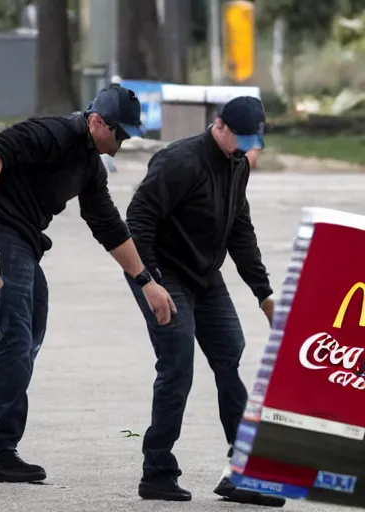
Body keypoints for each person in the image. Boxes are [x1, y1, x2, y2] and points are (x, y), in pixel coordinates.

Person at [0, 84, 177, 483]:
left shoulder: (90, 167)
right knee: (15, 334)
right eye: (120, 133)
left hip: (25, 245)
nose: (122, 141)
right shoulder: (55, 133)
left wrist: (146, 280)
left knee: (29, 337)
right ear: (97, 121)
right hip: (0, 233)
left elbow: (109, 228)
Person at [124, 96, 284, 507]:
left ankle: (242, 471)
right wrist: (148, 282)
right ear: (220, 126)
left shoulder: (237, 166)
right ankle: (157, 471)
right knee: (177, 365)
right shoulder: (179, 161)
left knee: (230, 353)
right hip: (162, 272)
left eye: (253, 141)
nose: (246, 147)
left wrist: (264, 294)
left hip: (203, 275)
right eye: (241, 138)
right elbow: (137, 220)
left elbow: (240, 231)